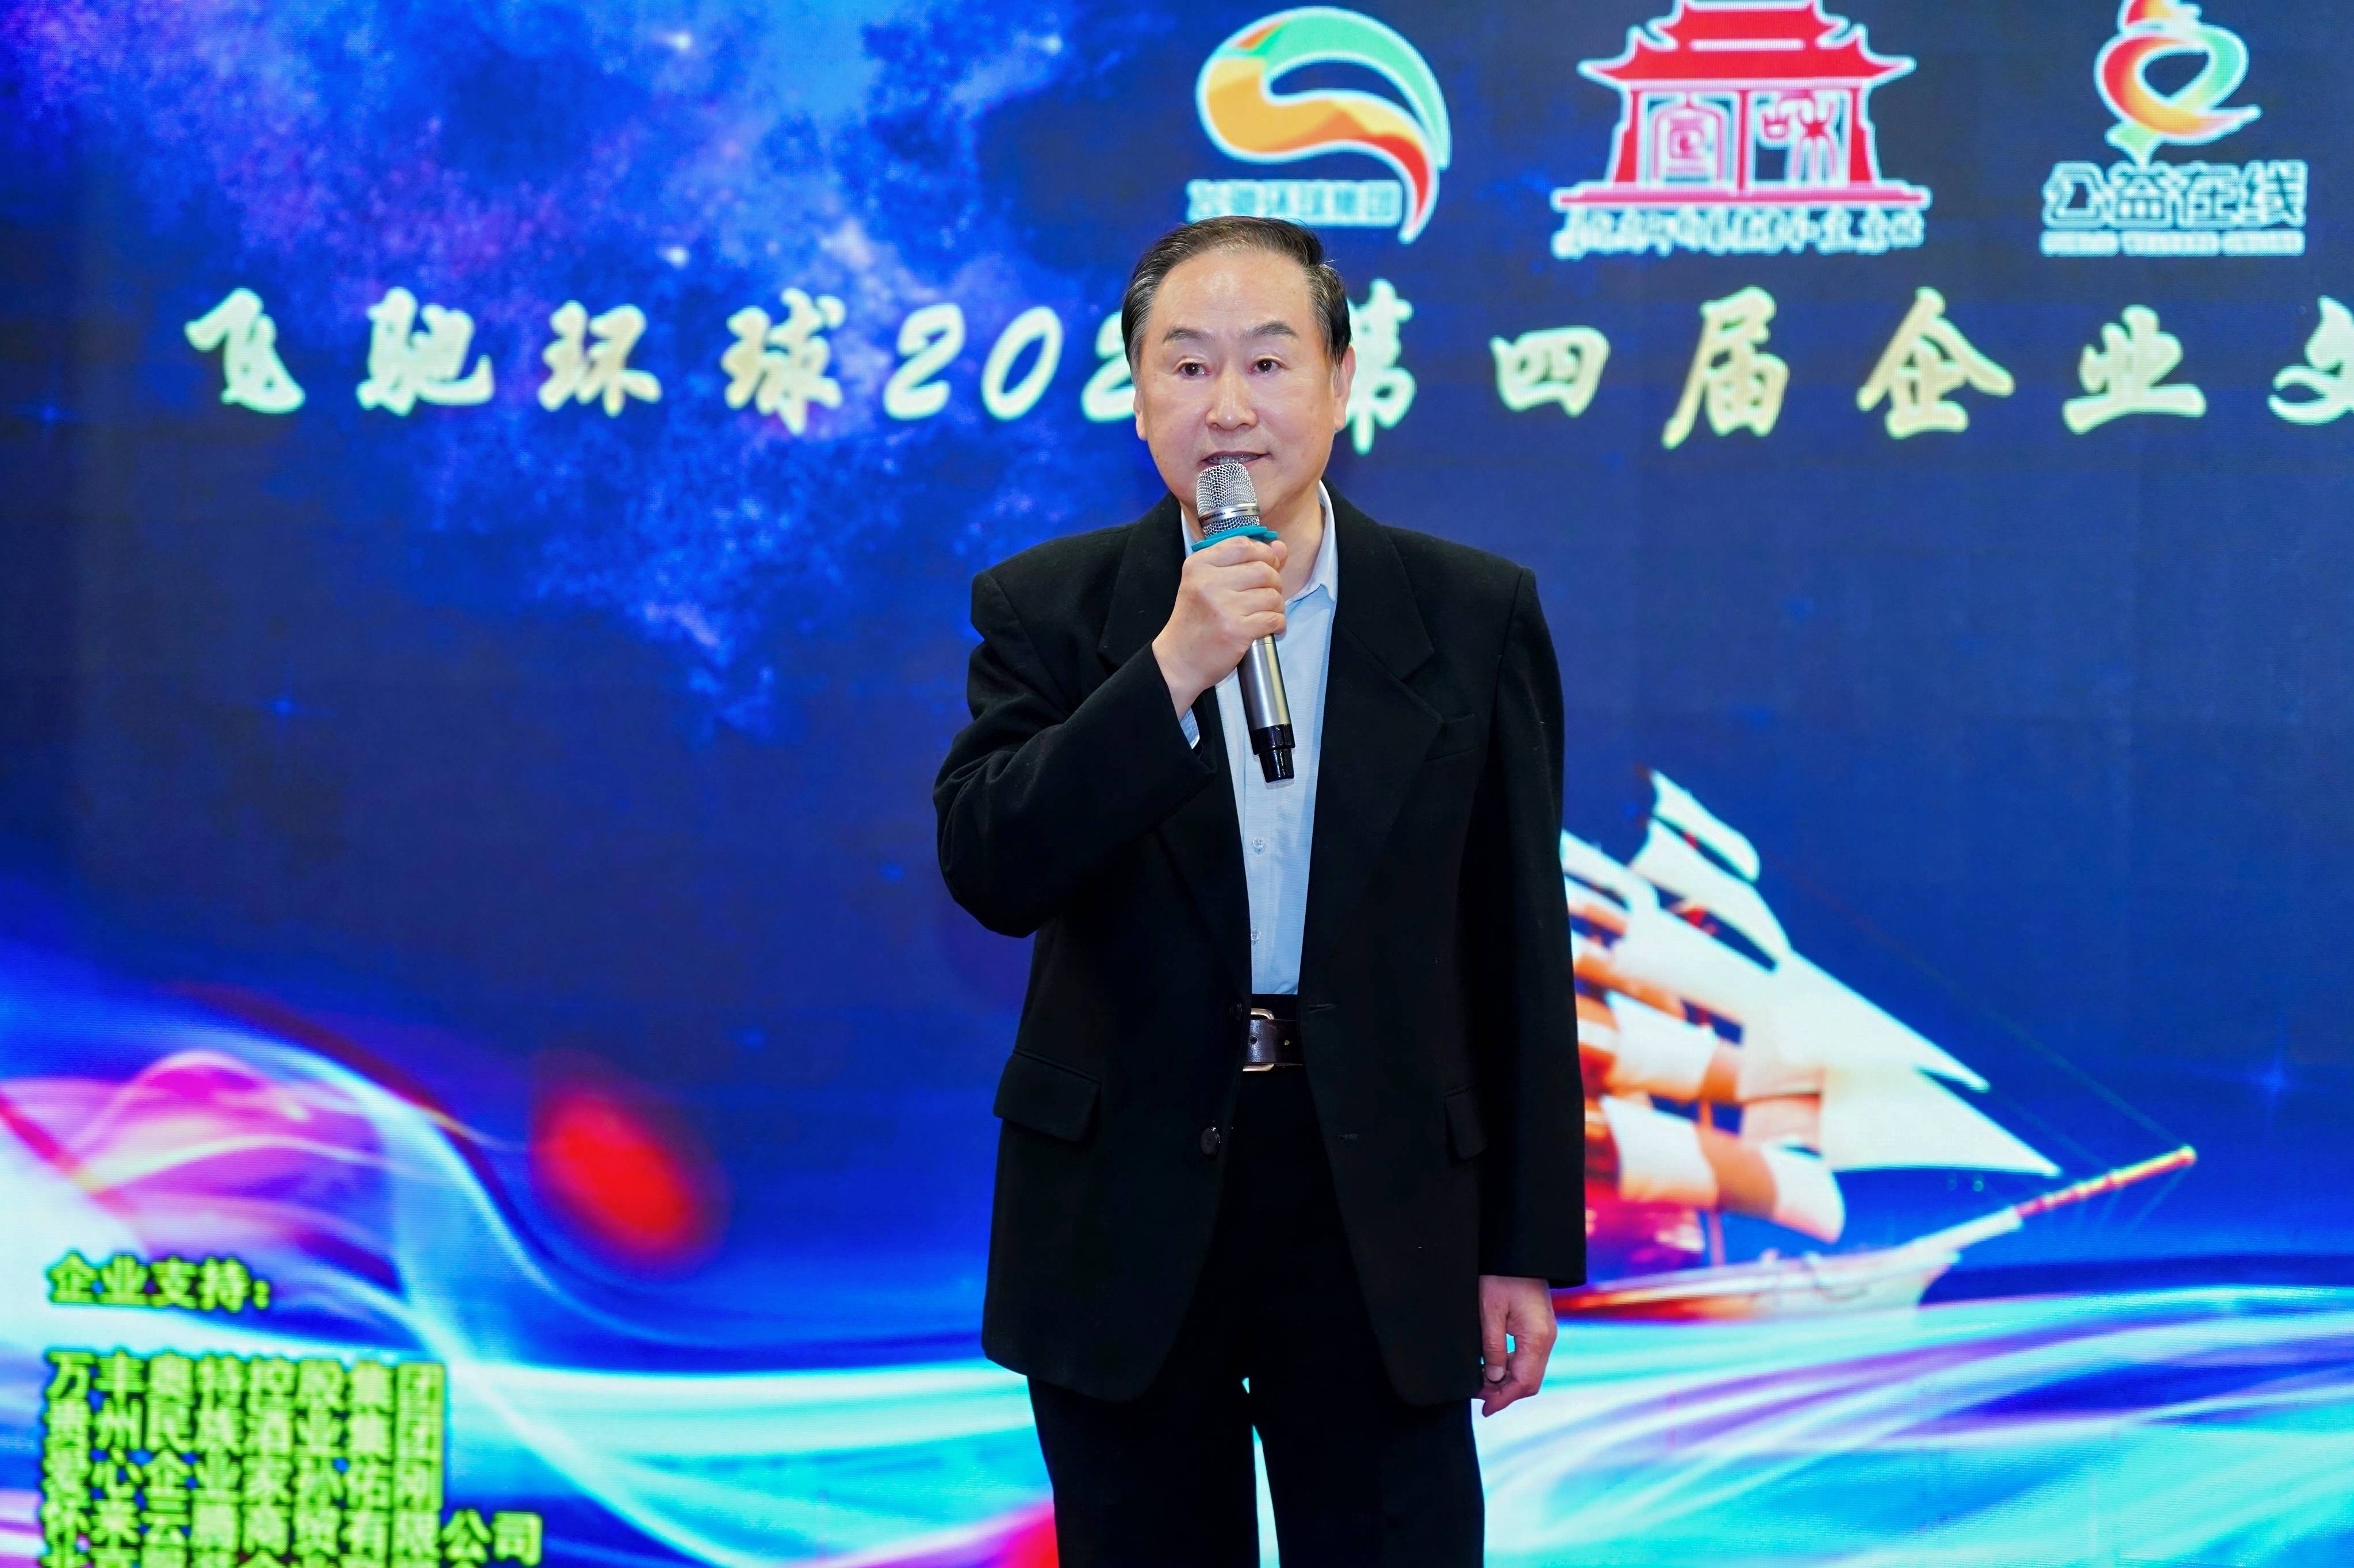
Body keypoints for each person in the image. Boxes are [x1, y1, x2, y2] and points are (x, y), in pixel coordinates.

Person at [933, 216, 1584, 1565]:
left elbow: (1515, 944)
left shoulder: (1470, 614)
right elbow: (993, 863)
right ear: (1137, 396)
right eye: (1186, 366)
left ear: (1342, 381)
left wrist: (1519, 1244)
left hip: (1378, 1196)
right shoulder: (1048, 608)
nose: (1227, 406)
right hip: (1124, 1192)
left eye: (1269, 362)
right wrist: (1169, 669)